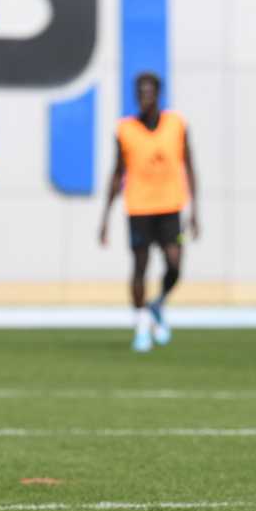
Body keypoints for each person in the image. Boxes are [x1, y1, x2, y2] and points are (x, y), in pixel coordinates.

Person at [98, 72, 198, 352]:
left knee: (175, 264)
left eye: (149, 92)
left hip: (170, 206)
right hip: (140, 207)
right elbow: (117, 173)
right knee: (140, 267)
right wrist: (105, 218)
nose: (145, 97)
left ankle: (158, 303)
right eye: (140, 92)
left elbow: (189, 166)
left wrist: (195, 211)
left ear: (158, 94)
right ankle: (141, 325)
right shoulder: (126, 129)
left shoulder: (176, 125)